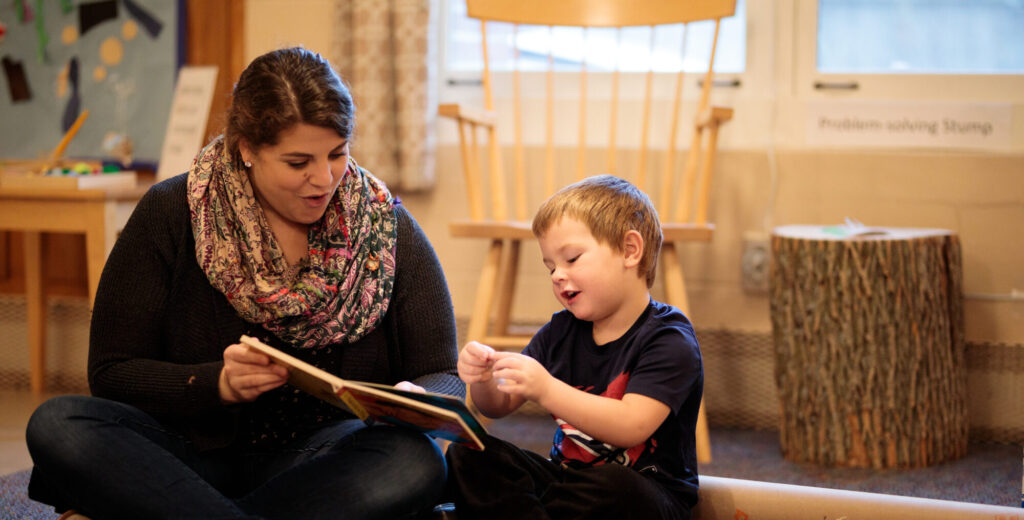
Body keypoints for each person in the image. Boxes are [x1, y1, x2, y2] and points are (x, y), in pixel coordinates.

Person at [25, 47, 461, 519]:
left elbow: (443, 374)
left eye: (337, 153)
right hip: (186, 456)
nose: (325, 178)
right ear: (247, 149)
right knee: (60, 423)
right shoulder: (172, 212)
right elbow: (112, 372)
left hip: (322, 463)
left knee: (413, 460)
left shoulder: (381, 225)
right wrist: (217, 384)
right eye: (298, 162)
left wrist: (416, 401)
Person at [444, 175, 704, 519]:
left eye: (572, 259)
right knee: (469, 453)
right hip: (567, 484)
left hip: (645, 496)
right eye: (551, 266)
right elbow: (497, 405)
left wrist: (547, 388)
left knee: (615, 484)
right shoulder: (561, 332)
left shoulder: (669, 339)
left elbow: (631, 426)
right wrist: (483, 379)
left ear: (630, 250)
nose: (556, 275)